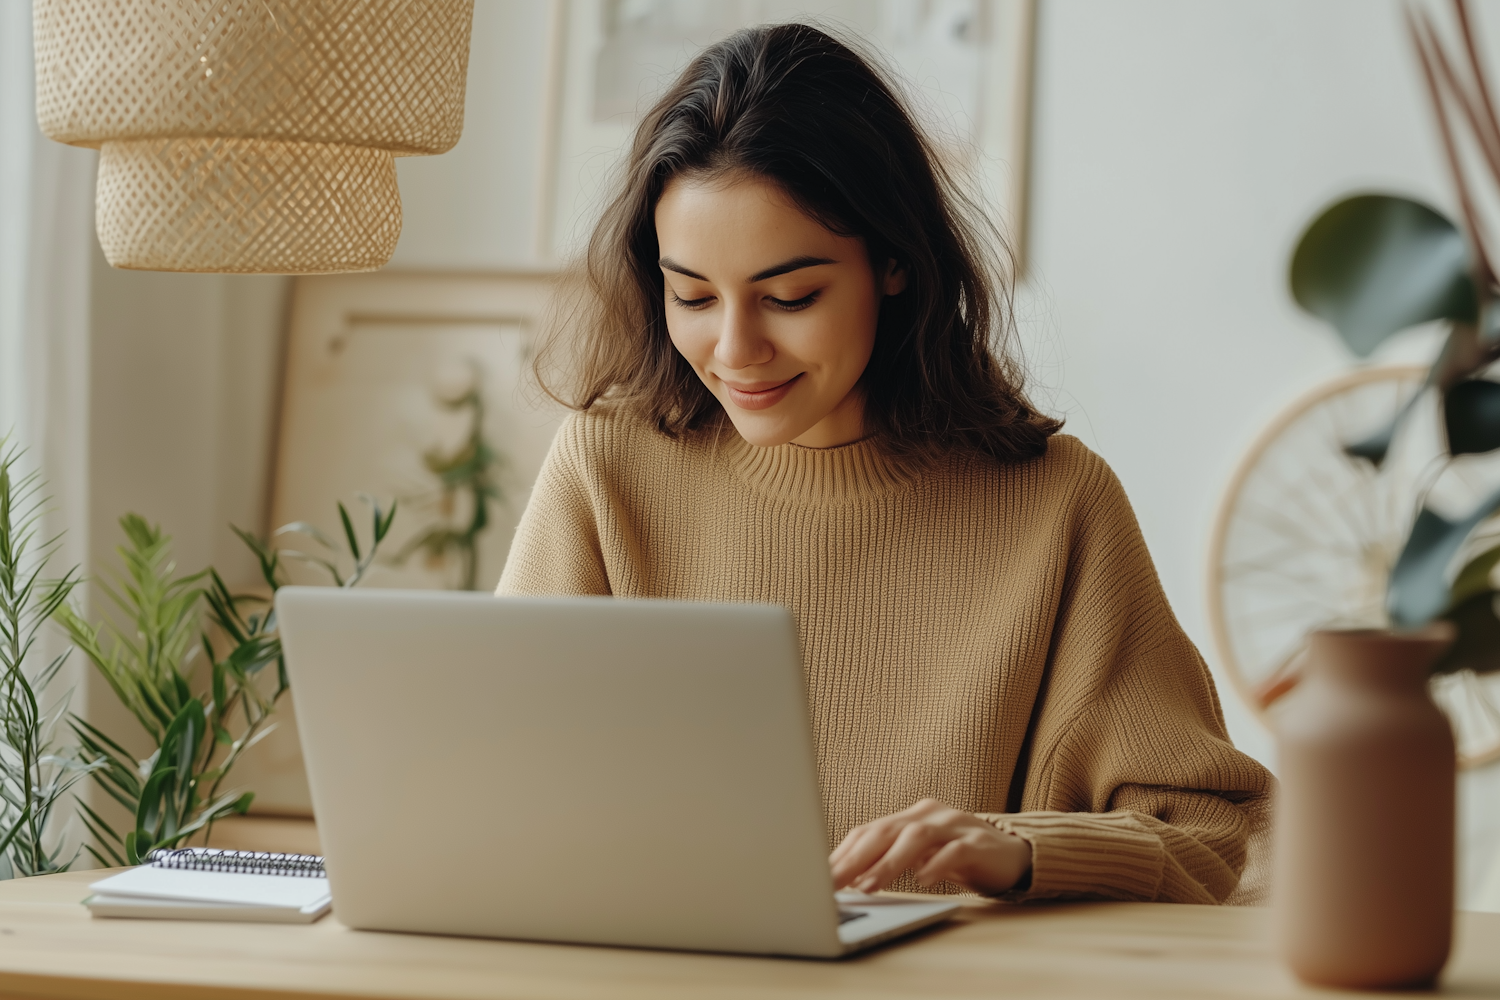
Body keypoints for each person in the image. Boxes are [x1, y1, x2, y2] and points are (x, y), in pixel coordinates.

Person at [498, 23, 1272, 903]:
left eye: (790, 296)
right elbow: (490, 786)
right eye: (693, 295)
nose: (736, 348)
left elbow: (1208, 831)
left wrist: (1016, 849)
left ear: (895, 262)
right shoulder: (607, 470)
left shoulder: (1058, 504)